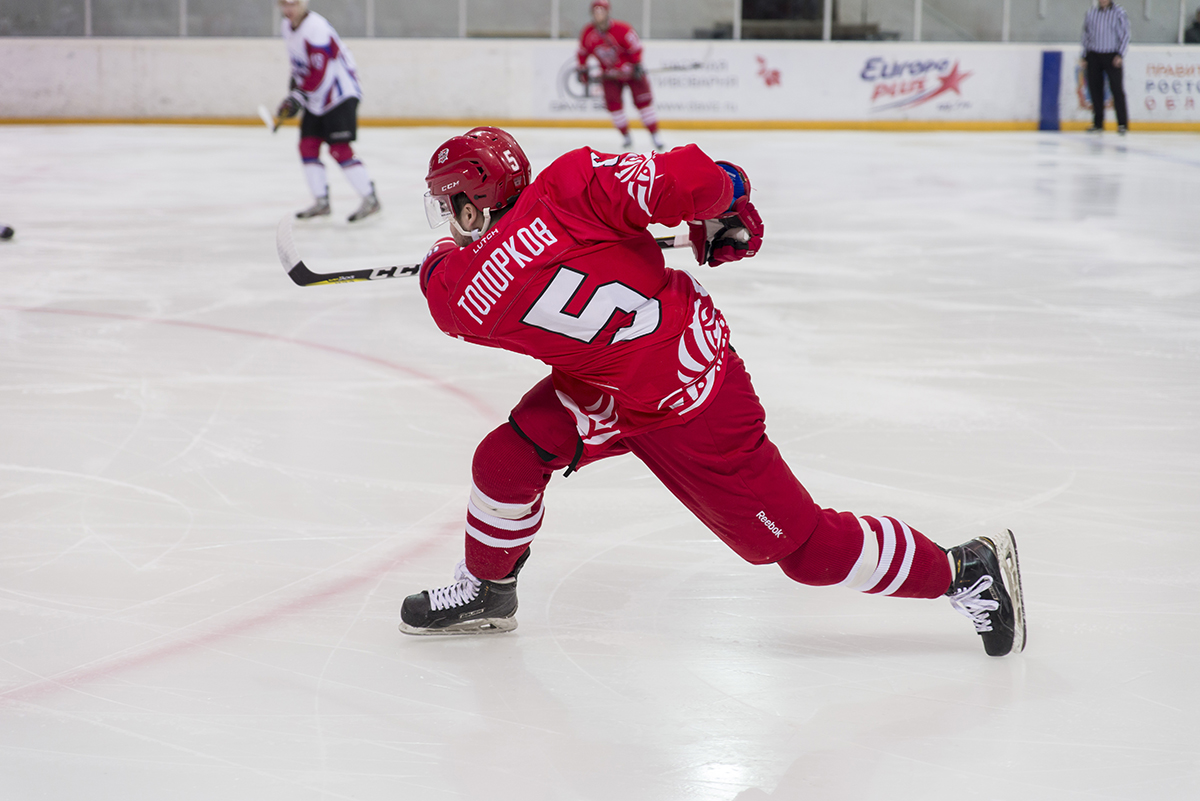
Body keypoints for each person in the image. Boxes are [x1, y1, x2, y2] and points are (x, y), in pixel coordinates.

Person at [396, 127, 1027, 658]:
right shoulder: (572, 182)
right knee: (506, 460)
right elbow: (698, 177)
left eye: (449, 209)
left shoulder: (465, 299)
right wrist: (725, 207)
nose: (447, 222)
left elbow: (449, 283)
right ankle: (488, 590)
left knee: (799, 547)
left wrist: (437, 260)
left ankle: (963, 570)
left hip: (691, 403)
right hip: (625, 380)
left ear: (473, 208)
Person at [276, 0, 380, 222]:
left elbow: (320, 69)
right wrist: (293, 94)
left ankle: (370, 198)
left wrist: (300, 95)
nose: (288, 9)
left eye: (293, 4)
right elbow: (299, 67)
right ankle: (321, 201)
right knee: (307, 145)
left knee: (339, 148)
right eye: (284, 4)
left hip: (339, 95)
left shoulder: (316, 27)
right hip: (316, 97)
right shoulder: (287, 27)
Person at [576, 0, 666, 152]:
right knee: (614, 106)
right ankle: (625, 136)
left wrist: (636, 65)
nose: (598, 14)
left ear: (607, 12)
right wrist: (582, 69)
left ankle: (655, 135)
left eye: (601, 11)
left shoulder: (622, 29)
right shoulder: (588, 33)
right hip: (610, 76)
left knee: (644, 103)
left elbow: (635, 48)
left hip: (630, 73)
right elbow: (583, 53)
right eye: (595, 11)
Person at [1081, 0, 1131, 134]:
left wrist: (1120, 54)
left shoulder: (1119, 13)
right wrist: (1085, 55)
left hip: (1112, 55)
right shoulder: (1091, 13)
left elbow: (1125, 34)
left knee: (1116, 89)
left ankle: (1122, 124)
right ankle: (1098, 123)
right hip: (1094, 55)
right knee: (1095, 90)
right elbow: (1086, 35)